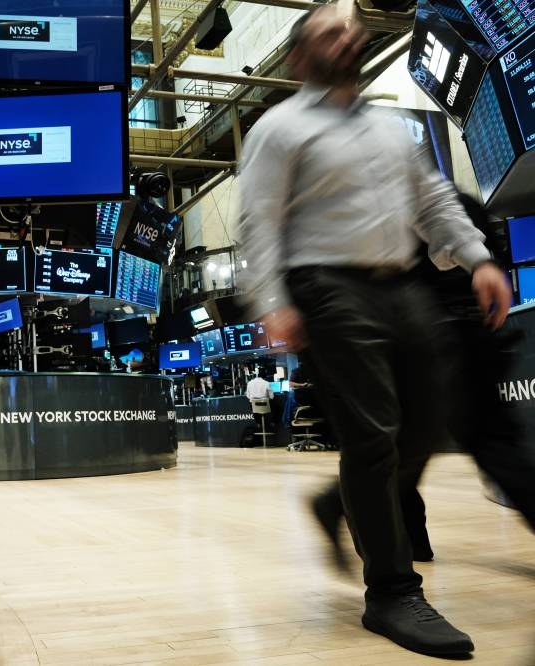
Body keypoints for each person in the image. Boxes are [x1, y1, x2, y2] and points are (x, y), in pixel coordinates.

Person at [236, 5, 512, 657]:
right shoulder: (278, 129)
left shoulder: (390, 129)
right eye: (331, 31)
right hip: (325, 286)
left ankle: (341, 503)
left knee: (429, 424)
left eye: (353, 28)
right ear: (301, 57)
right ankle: (391, 592)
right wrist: (272, 300)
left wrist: (476, 258)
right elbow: (258, 222)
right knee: (375, 433)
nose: (350, 37)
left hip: (400, 283)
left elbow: (433, 199)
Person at [311, 191, 535, 567]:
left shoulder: (392, 214)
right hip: (460, 336)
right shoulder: (459, 204)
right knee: (471, 442)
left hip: (431, 340)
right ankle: (355, 514)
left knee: (412, 445)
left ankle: (365, 518)